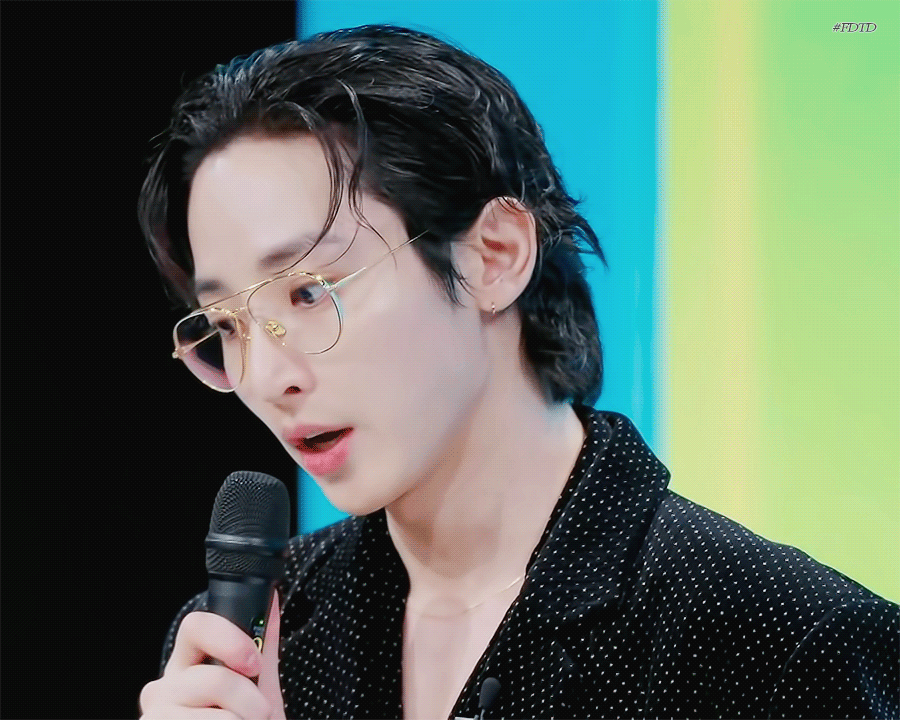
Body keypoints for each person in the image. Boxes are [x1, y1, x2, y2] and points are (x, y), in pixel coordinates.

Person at [136, 24, 898, 720]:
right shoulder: (249, 649)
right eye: (227, 324)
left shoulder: (785, 643)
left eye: (309, 292)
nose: (269, 376)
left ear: (494, 255)